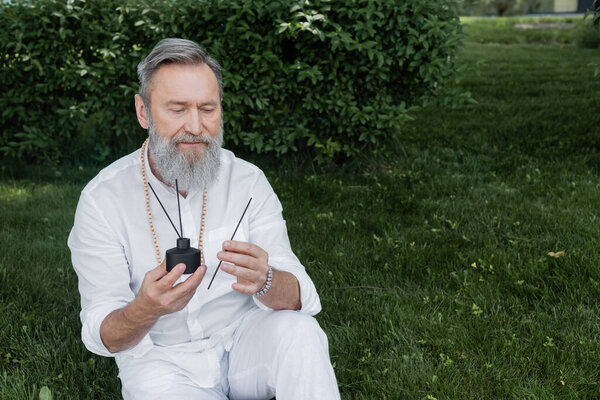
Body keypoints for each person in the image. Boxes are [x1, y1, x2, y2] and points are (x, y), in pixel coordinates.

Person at [68, 38, 340, 400]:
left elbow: (302, 296)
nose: (195, 126)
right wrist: (143, 310)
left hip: (244, 338)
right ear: (143, 111)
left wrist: (267, 279)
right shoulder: (103, 200)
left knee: (302, 334)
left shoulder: (247, 181)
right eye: (178, 109)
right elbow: (101, 332)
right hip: (161, 362)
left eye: (207, 109)